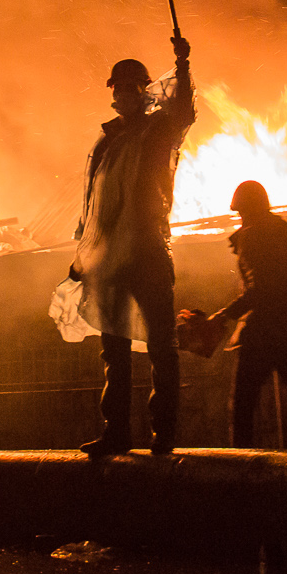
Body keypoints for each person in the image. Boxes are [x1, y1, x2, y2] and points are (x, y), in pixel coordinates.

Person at [74, 36, 195, 457]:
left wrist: (182, 65)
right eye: (118, 88)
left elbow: (184, 111)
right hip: (109, 258)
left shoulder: (159, 130)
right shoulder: (106, 143)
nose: (123, 94)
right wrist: (81, 256)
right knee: (115, 349)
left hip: (146, 250)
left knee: (162, 345)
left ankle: (164, 433)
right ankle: (118, 433)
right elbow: (92, 203)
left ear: (144, 90)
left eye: (131, 87)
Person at [209, 180, 287, 448]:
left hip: (262, 333)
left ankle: (239, 467)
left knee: (242, 406)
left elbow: (259, 290)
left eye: (241, 212)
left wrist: (224, 315)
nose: (240, 218)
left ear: (247, 209)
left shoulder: (252, 237)